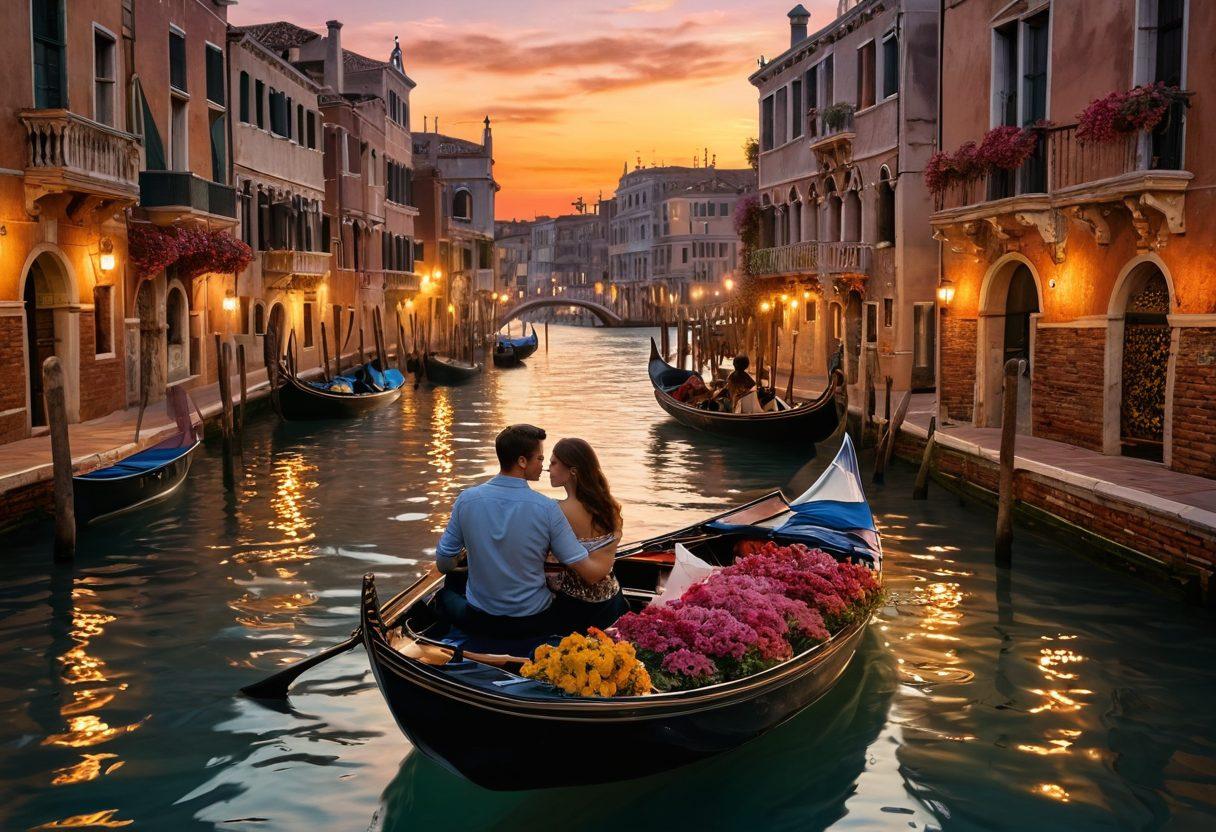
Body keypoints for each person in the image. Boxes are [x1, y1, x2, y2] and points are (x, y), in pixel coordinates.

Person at [433, 424, 613, 637]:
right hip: (533, 621)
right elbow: (584, 568)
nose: (543, 466)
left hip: (480, 618)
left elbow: (443, 564)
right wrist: (611, 544)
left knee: (446, 592)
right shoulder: (548, 508)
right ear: (522, 461)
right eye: (540, 459)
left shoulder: (466, 500)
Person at [545, 438, 630, 629]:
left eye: (553, 463)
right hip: (612, 602)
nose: (548, 469)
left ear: (573, 471)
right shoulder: (610, 508)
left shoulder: (556, 511)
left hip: (573, 609)